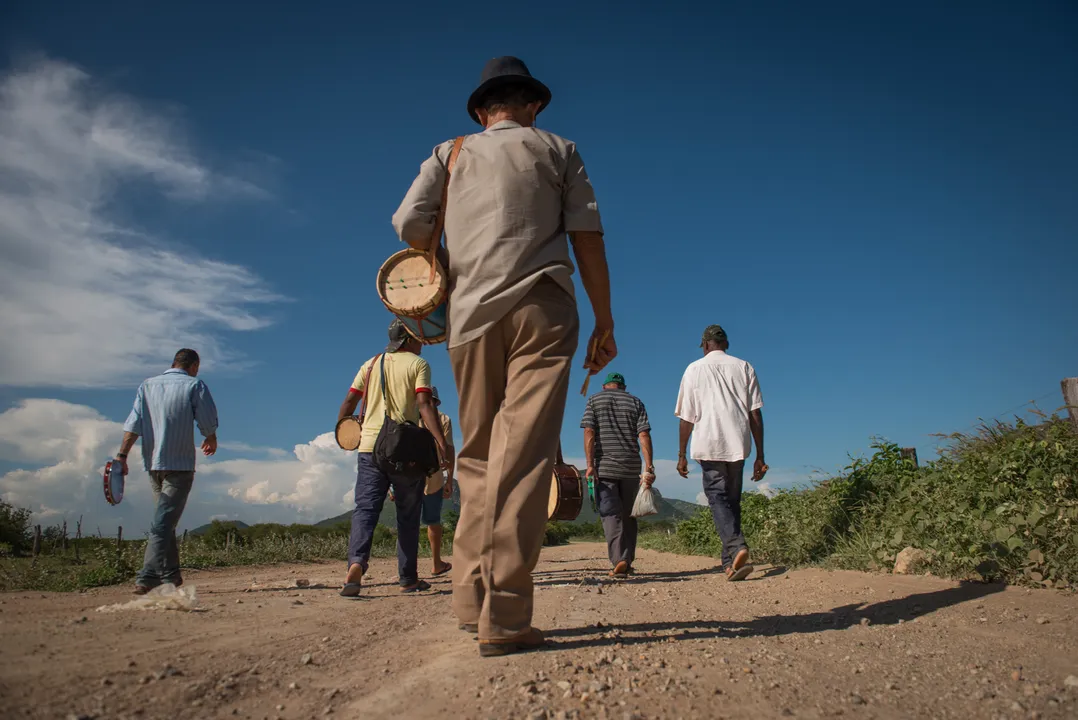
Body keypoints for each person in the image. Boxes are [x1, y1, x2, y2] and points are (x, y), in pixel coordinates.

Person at [391, 56, 616, 656]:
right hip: (543, 308)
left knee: (479, 456)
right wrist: (605, 319)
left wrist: (453, 245)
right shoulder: (558, 149)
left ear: (481, 110)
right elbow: (587, 237)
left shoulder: (451, 152)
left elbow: (409, 223)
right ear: (533, 104)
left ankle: (469, 600)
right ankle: (506, 618)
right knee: (524, 460)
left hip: (468, 319)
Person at [336, 319, 451, 597]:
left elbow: (350, 401)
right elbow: (424, 403)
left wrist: (342, 428)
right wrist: (439, 440)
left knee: (365, 509)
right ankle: (408, 579)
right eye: (419, 337)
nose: (422, 342)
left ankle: (356, 565)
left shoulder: (371, 363)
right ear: (409, 338)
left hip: (369, 448)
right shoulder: (418, 365)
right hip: (403, 449)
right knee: (407, 516)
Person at [115, 348, 218, 594]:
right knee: (162, 522)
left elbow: (134, 424)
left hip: (153, 464)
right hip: (180, 464)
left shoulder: (147, 386)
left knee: (164, 520)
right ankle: (149, 575)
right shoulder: (194, 385)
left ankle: (171, 575)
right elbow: (206, 417)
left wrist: (122, 455)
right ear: (194, 365)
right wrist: (210, 436)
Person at [675, 325, 766, 582]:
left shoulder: (693, 369)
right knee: (732, 501)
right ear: (726, 343)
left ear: (705, 345)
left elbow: (686, 417)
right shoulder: (744, 366)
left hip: (709, 442)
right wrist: (760, 455)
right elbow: (755, 413)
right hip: (738, 443)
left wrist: (681, 454)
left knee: (717, 498)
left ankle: (737, 547)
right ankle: (731, 564)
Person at [581, 372, 654, 578]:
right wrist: (649, 467)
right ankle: (627, 561)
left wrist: (589, 465)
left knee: (611, 514)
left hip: (605, 467)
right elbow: (644, 434)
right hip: (631, 467)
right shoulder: (635, 402)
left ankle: (619, 559)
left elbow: (589, 432)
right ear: (623, 387)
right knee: (629, 516)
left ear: (605, 386)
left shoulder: (594, 399)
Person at [419, 386, 455, 577]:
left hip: (412, 477)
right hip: (434, 477)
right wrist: (449, 479)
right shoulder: (443, 419)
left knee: (411, 521)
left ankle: (410, 569)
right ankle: (436, 563)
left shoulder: (407, 416)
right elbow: (449, 450)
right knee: (433, 522)